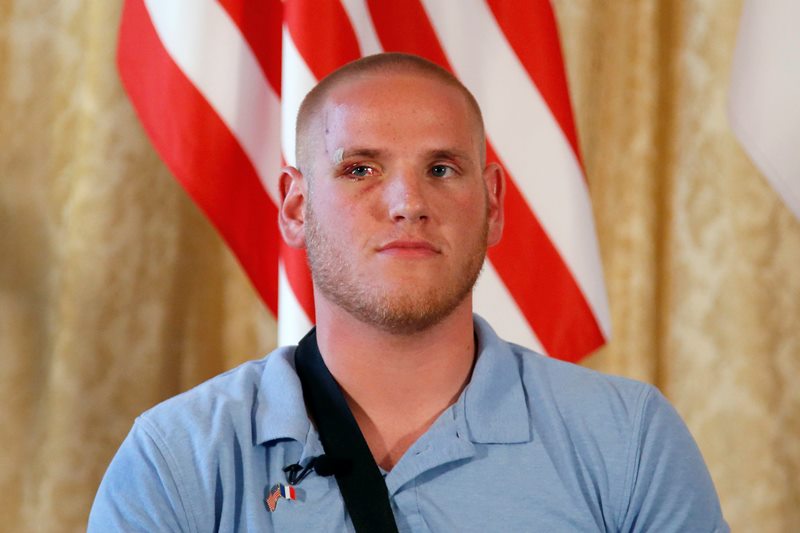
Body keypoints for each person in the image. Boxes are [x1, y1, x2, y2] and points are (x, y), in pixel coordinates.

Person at [89, 53, 728, 532]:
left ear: (494, 204)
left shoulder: (628, 440)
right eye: (360, 169)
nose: (408, 204)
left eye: (442, 169)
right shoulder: (178, 456)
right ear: (294, 204)